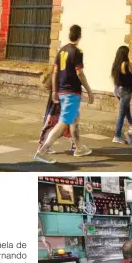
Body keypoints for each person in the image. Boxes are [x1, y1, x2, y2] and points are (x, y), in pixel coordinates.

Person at [35, 25, 94, 164]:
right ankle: (42, 151)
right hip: (71, 92)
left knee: (73, 119)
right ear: (79, 36)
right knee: (64, 122)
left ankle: (79, 147)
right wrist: (89, 90)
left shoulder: (61, 51)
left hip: (62, 91)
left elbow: (55, 72)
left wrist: (55, 91)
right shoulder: (77, 51)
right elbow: (79, 73)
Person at [37, 68, 75, 155]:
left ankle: (42, 146)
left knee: (52, 124)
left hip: (55, 102)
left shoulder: (58, 70)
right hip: (60, 102)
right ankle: (43, 147)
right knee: (67, 122)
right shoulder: (65, 72)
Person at [111, 46, 132, 144]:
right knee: (121, 114)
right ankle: (117, 136)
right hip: (126, 91)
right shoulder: (126, 64)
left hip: (117, 89)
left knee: (126, 109)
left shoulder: (116, 64)